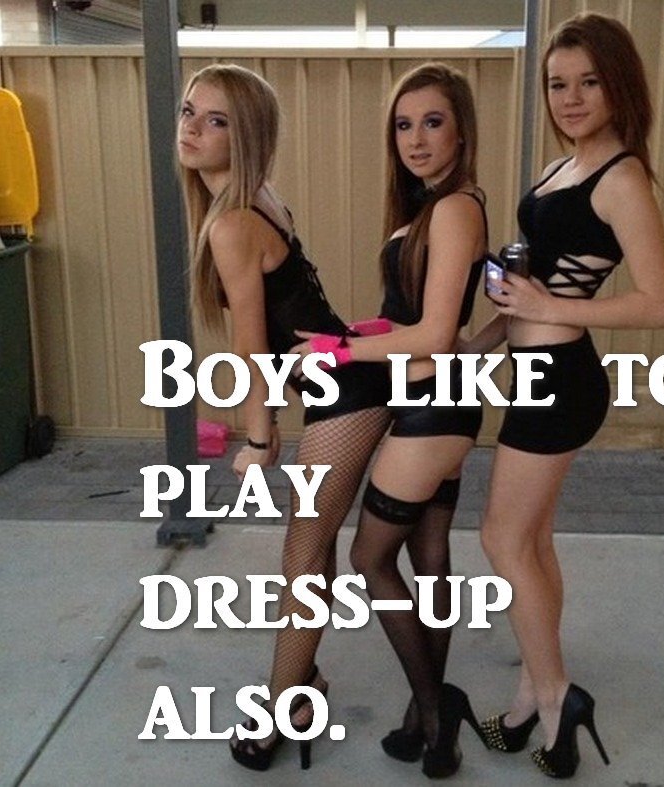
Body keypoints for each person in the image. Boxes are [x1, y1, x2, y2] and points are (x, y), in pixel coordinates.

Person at [468, 13, 664, 779]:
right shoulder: (566, 165)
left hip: (561, 382)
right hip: (532, 370)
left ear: (619, 85)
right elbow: (536, 285)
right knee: (533, 541)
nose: (571, 97)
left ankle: (557, 697)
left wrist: (548, 306)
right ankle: (533, 689)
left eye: (589, 81)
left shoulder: (620, 176)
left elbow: (659, 303)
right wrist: (480, 341)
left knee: (502, 539)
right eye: (558, 84)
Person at [176, 63, 392, 772]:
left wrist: (259, 436)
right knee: (312, 549)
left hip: (349, 392)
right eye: (188, 111)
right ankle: (303, 688)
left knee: (301, 555)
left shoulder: (232, 222)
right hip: (339, 379)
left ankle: (281, 706)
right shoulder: (251, 200)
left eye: (216, 120)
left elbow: (250, 344)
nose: (192, 128)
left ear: (246, 137)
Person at [292, 62, 488, 778]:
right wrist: (358, 332)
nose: (416, 139)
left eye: (433, 122)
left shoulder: (456, 208)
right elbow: (420, 319)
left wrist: (339, 350)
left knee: (369, 559)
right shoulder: (435, 207)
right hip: (435, 400)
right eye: (404, 125)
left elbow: (434, 334)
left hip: (435, 406)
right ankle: (425, 715)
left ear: (462, 131)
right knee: (428, 557)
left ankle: (437, 710)